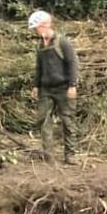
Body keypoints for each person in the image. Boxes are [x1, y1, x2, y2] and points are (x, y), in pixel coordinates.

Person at [28, 10, 80, 164]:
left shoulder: (62, 42)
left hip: (63, 87)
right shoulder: (40, 45)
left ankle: (70, 155)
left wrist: (72, 85)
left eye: (36, 28)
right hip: (46, 89)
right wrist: (36, 85)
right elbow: (39, 67)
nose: (36, 31)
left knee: (68, 121)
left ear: (45, 25)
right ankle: (48, 155)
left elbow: (72, 63)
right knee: (43, 119)